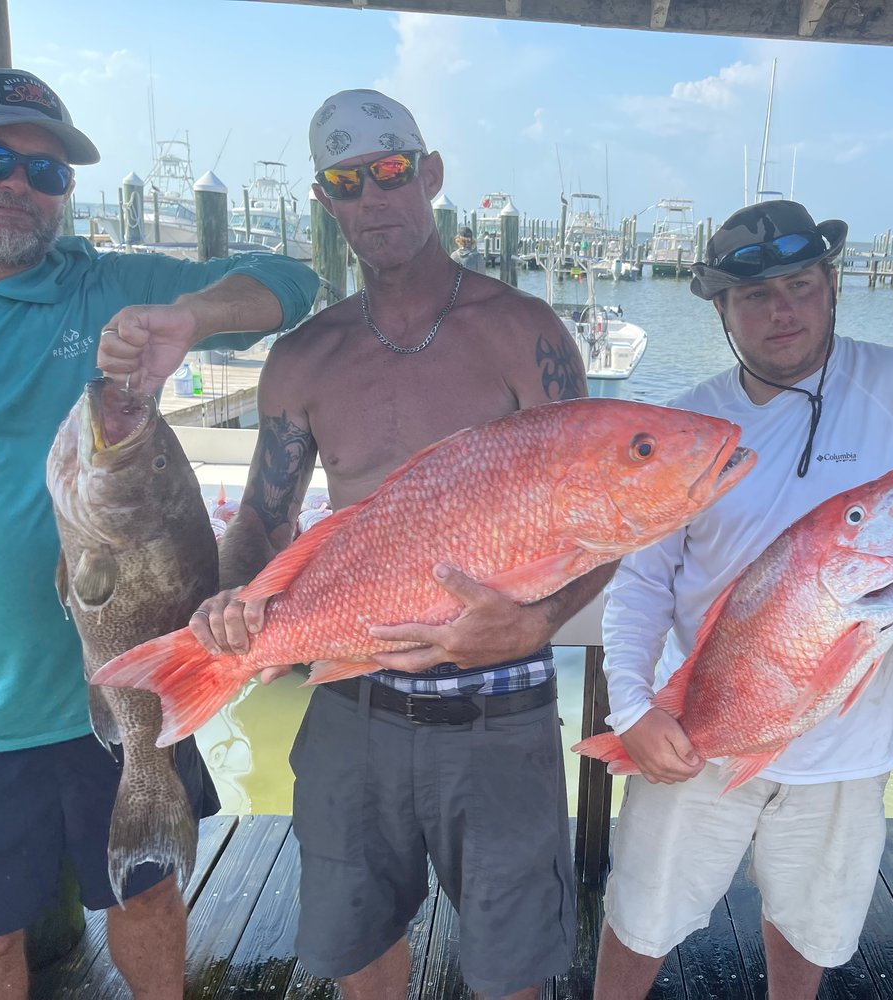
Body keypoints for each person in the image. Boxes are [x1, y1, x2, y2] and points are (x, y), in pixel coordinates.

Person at [189, 89, 608, 1000]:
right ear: (325, 200)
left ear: (429, 174)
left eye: (388, 173)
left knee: (512, 968)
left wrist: (533, 625)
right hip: (353, 709)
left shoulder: (522, 332)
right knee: (355, 948)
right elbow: (265, 518)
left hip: (499, 716)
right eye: (348, 182)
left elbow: (601, 517)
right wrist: (233, 599)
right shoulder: (305, 355)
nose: (373, 198)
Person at [591, 199, 893, 1000]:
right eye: (754, 294)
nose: (781, 309)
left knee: (809, 931)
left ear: (832, 283)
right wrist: (632, 710)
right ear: (721, 308)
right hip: (702, 723)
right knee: (639, 916)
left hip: (845, 750)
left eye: (799, 283)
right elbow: (642, 582)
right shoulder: (687, 421)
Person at [0, 67, 318, 1000]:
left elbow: (293, 281)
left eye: (47, 173)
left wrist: (188, 317)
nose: (17, 186)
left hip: (137, 685)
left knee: (146, 899)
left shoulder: (104, 286)